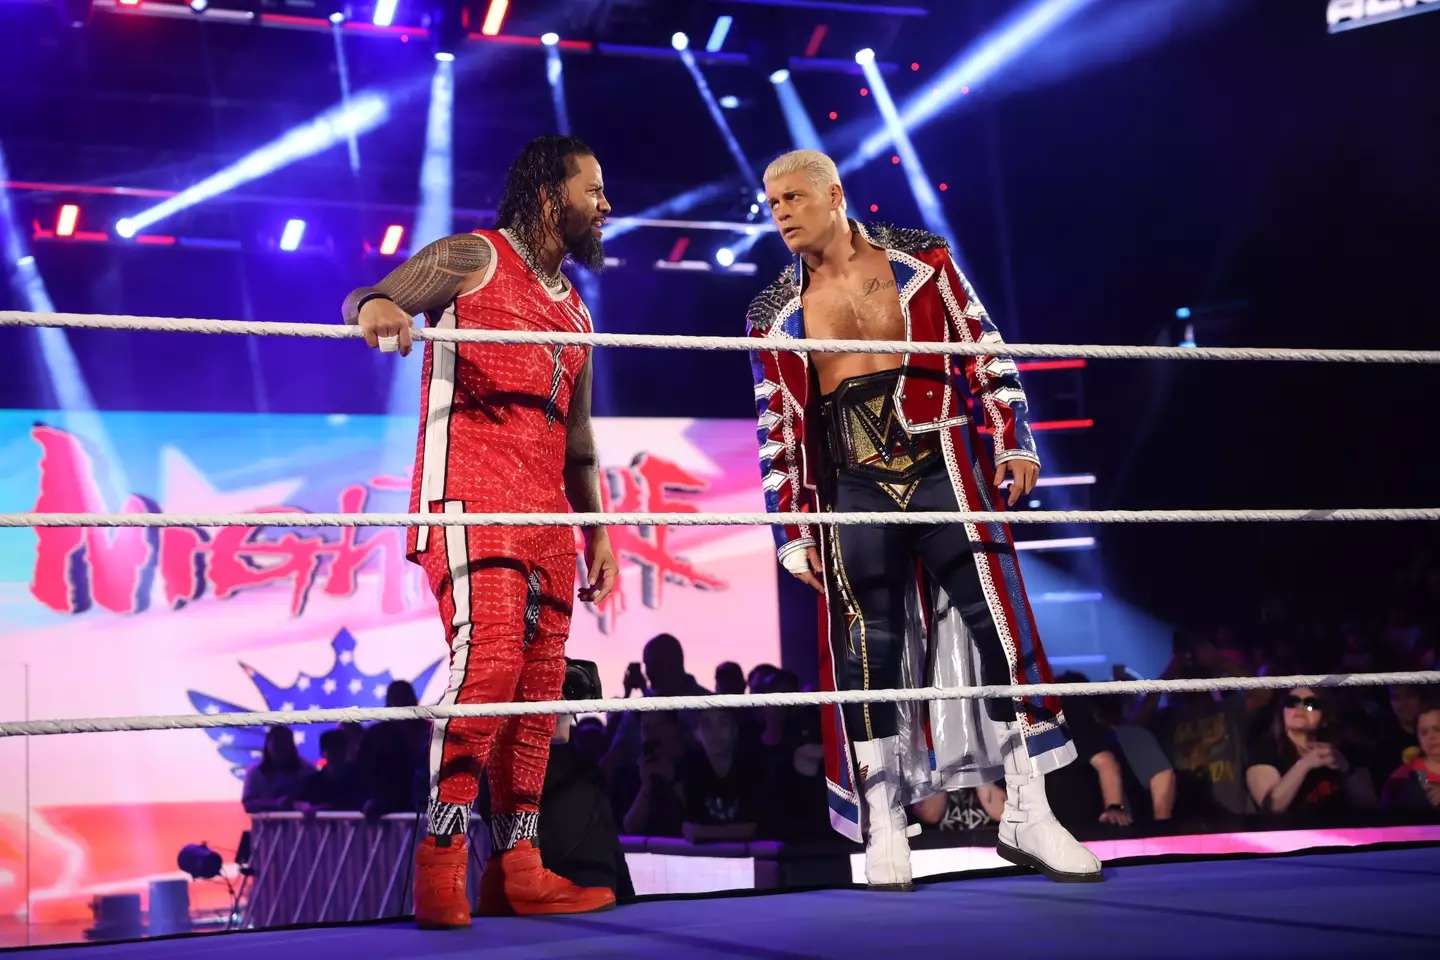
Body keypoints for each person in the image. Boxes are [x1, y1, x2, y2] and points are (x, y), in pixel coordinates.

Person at [745, 149, 1100, 888]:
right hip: (851, 485)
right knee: (865, 645)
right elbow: (777, 426)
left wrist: (1013, 434)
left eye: (792, 197)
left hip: (941, 464)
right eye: (771, 202)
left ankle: (1030, 809)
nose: (779, 213)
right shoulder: (773, 311)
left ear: (834, 194)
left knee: (999, 624)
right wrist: (790, 531)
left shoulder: (922, 259)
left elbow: (981, 341)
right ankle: (883, 826)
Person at [341, 134, 620, 928]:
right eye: (593, 189)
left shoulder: (576, 309)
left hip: (549, 518)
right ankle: (439, 856)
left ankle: (519, 865)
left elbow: (579, 441)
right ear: (548, 195)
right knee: (491, 660)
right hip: (467, 499)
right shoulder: (472, 256)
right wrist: (383, 308)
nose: (606, 205)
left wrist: (597, 532)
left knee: (539, 693)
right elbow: (365, 297)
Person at [1245, 687, 1376, 816]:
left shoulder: (1341, 749)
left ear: (1324, 718)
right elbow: (1272, 809)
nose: (1300, 708)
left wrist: (1346, 768)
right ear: (1282, 712)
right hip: (1291, 835)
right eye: (1292, 702)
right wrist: (1304, 765)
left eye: (1311, 704)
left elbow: (1369, 805)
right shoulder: (1265, 748)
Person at [241, 726, 314, 814]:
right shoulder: (255, 773)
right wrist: (275, 804)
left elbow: (317, 801)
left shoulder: (307, 771)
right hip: (265, 827)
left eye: (284, 748)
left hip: (299, 827)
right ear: (267, 746)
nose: (281, 753)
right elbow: (248, 803)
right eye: (277, 748)